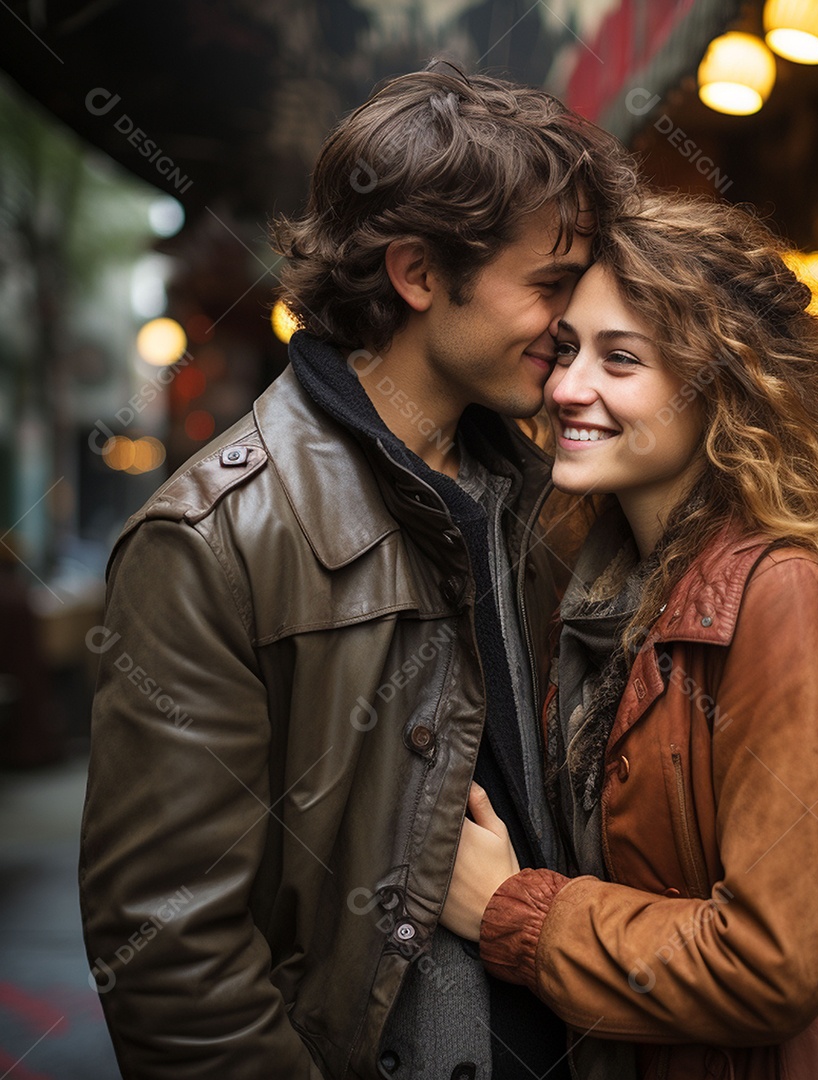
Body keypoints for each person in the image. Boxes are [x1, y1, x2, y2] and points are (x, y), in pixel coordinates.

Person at [79, 64, 637, 1080]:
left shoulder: (544, 492)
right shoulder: (213, 539)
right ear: (419, 275)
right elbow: (170, 955)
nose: (569, 324)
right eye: (550, 284)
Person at [440, 193, 818, 1079]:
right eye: (566, 350)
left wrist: (516, 912)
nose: (564, 388)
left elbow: (772, 965)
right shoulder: (601, 579)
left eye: (620, 359)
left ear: (722, 390)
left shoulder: (784, 595)